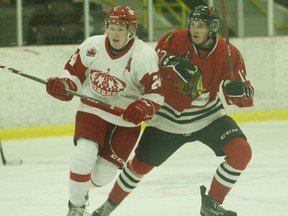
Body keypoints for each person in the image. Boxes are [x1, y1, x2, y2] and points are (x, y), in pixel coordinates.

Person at [91, 5, 254, 216]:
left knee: (242, 152)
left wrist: (240, 91)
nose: (195, 30)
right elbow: (153, 64)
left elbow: (242, 98)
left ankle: (211, 205)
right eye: (193, 25)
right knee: (138, 167)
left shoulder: (230, 53)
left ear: (212, 28)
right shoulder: (173, 39)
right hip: (168, 118)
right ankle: (107, 207)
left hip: (208, 116)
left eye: (201, 26)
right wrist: (170, 62)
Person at [45, 6, 164, 216]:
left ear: (132, 30)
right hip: (93, 107)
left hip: (126, 121)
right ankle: (76, 207)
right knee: (82, 155)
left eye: (121, 27)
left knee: (100, 178)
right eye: (111, 26)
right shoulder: (92, 45)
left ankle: (81, 191)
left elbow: (156, 94)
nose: (115, 32)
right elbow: (73, 75)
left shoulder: (144, 56)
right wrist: (65, 86)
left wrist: (142, 107)